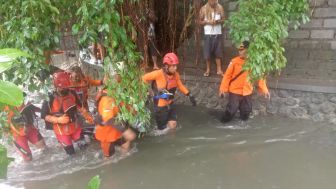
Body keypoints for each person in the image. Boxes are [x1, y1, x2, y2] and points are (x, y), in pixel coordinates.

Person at [41, 71, 94, 155]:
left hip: (75, 127)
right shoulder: (49, 98)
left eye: (66, 87)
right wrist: (58, 119)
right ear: (56, 86)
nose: (65, 89)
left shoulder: (72, 92)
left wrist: (86, 114)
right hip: (61, 131)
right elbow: (43, 115)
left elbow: (79, 106)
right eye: (63, 88)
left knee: (85, 148)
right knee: (71, 154)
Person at [142, 52, 197, 131]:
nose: (175, 68)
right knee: (162, 130)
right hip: (160, 106)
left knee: (173, 124)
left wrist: (189, 94)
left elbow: (180, 85)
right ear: (166, 66)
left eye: (176, 66)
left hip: (170, 103)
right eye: (173, 66)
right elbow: (143, 78)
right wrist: (148, 91)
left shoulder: (176, 75)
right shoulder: (158, 74)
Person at [219, 41, 270, 123]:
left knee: (246, 111)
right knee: (231, 110)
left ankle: (243, 125)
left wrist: (265, 90)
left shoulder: (254, 62)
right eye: (239, 50)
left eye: (242, 50)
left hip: (247, 91)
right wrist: (223, 89)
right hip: (235, 91)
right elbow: (227, 76)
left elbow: (261, 77)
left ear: (248, 50)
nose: (240, 52)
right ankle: (223, 123)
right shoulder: (234, 61)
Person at [95, 63, 136, 158]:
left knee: (126, 145)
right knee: (108, 158)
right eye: (121, 77)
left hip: (117, 130)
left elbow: (124, 105)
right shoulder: (107, 98)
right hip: (107, 135)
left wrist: (133, 110)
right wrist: (125, 130)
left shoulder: (117, 93)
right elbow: (108, 119)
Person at [199, 0, 225, 77]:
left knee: (218, 52)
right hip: (208, 34)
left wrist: (218, 21)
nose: (215, 2)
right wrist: (208, 22)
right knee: (207, 53)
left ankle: (219, 70)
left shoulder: (220, 7)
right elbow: (200, 21)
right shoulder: (203, 8)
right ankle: (208, 69)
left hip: (217, 33)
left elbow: (224, 19)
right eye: (213, 0)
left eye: (216, 0)